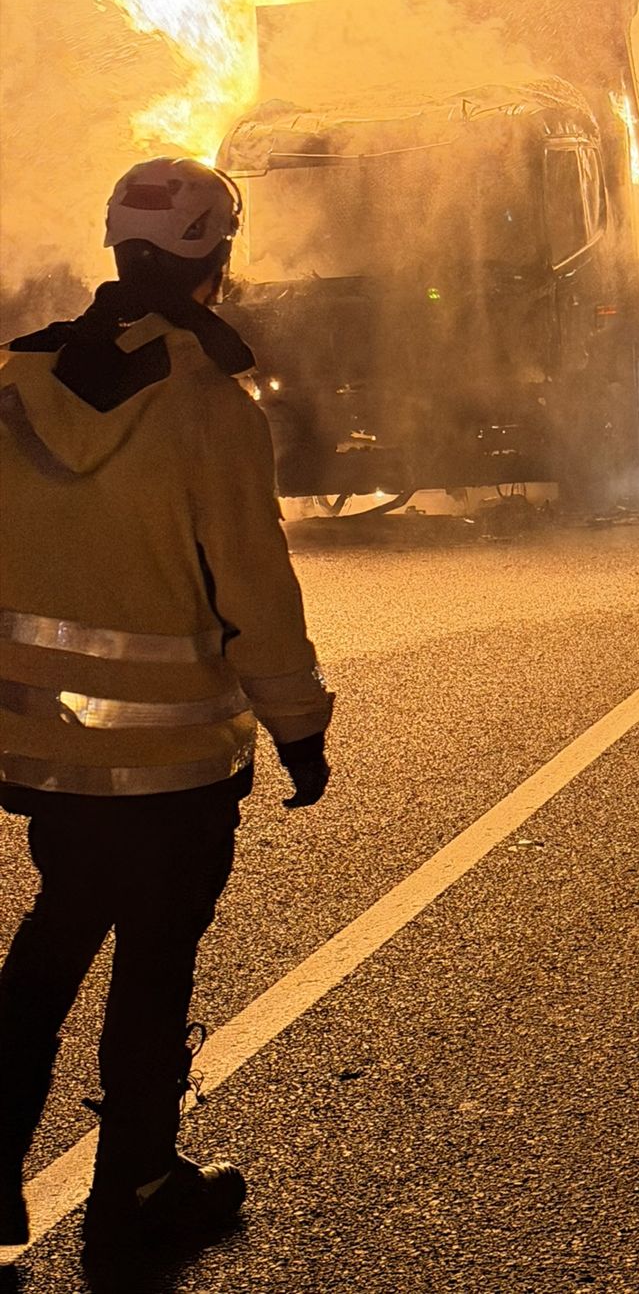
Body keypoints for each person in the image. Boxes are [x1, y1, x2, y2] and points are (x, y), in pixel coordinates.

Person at [0, 159, 334, 1261]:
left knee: (54, 937)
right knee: (153, 964)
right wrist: (299, 727)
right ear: (215, 257)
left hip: (41, 751)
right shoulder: (207, 407)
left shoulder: (16, 382)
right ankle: (138, 1191)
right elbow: (256, 590)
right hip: (176, 763)